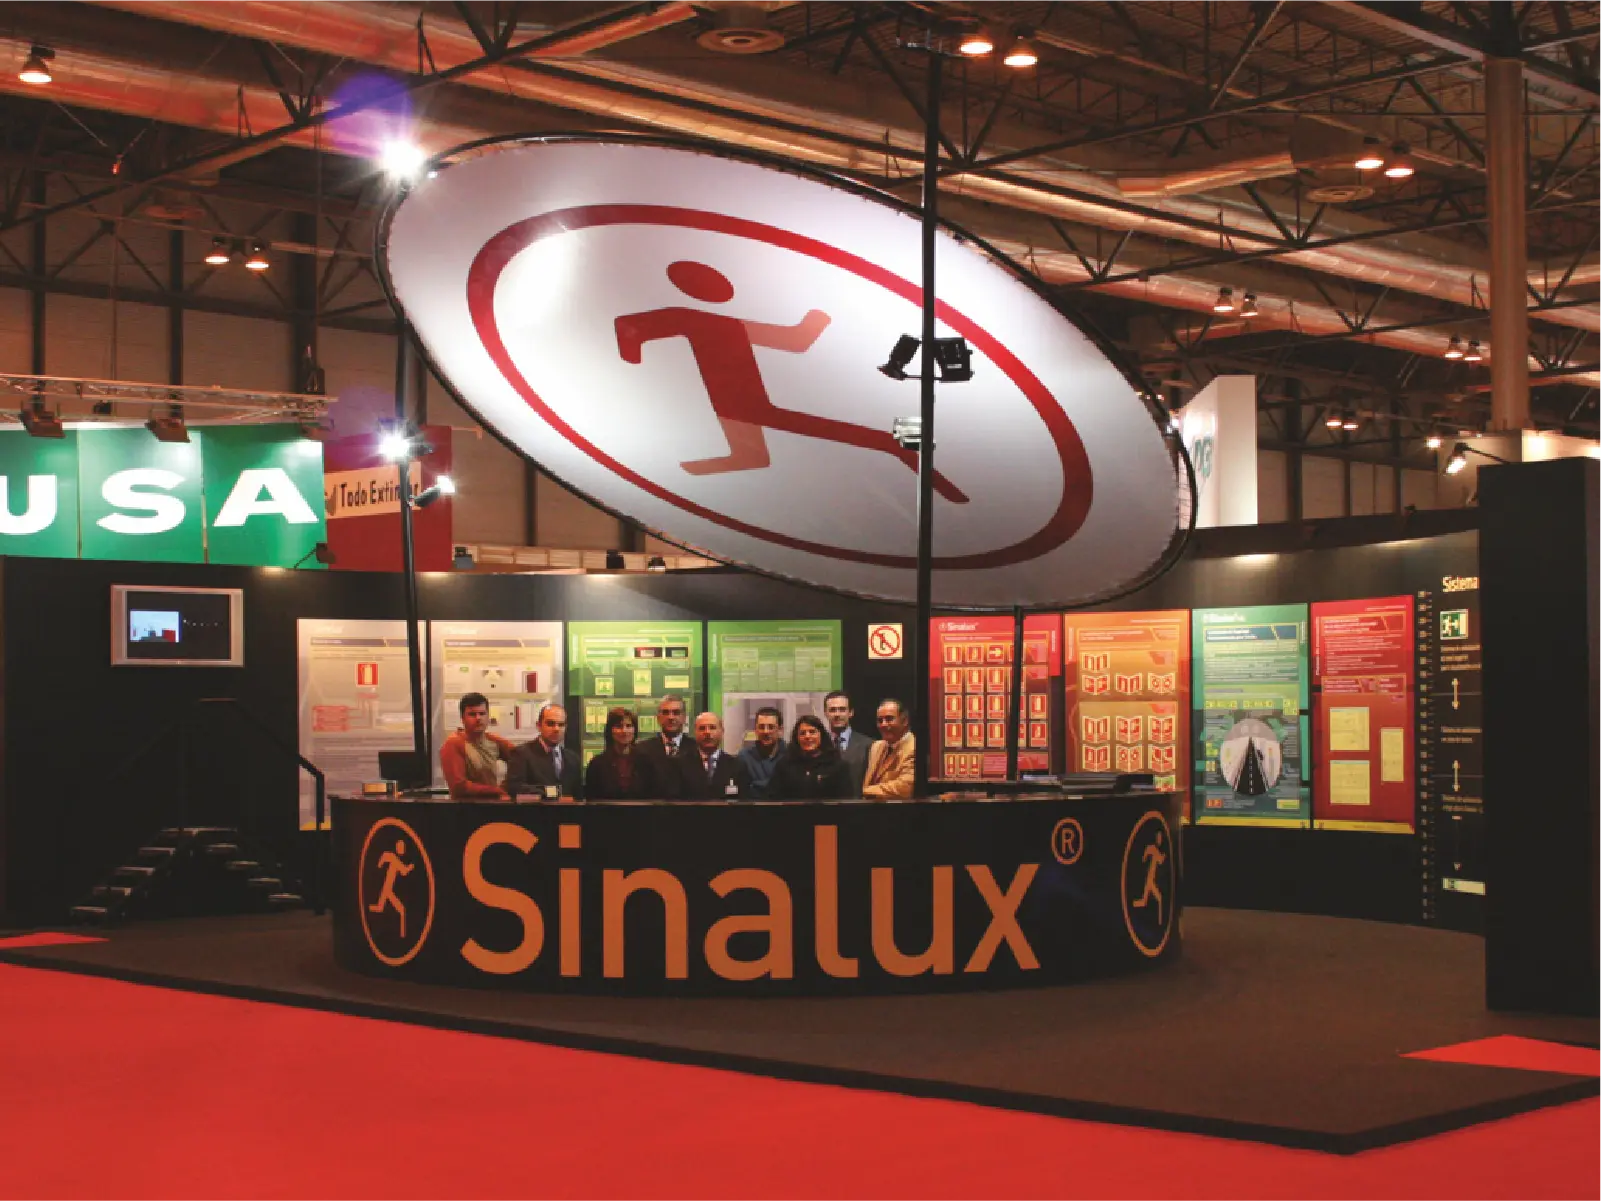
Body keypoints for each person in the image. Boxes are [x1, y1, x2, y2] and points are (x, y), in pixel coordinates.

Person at [439, 692, 513, 800]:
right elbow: (458, 787)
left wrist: (507, 784)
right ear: (462, 718)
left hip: (492, 803)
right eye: (472, 714)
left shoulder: (494, 741)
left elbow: (520, 758)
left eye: (482, 713)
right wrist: (497, 790)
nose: (478, 718)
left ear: (488, 716)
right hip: (465, 806)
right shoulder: (453, 744)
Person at [504, 703, 583, 800]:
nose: (556, 729)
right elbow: (514, 788)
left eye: (561, 725)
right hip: (535, 809)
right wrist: (551, 793)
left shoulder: (573, 759)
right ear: (539, 725)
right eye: (550, 724)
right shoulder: (522, 754)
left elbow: (578, 795)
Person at [584, 707, 664, 800]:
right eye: (619, 726)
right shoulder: (597, 764)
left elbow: (653, 796)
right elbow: (591, 799)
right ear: (610, 731)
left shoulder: (646, 762)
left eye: (629, 726)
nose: (624, 731)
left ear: (634, 730)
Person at [770, 714, 852, 800]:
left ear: (821, 735)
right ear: (797, 738)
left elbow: (847, 800)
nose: (807, 736)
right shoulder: (784, 765)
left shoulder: (838, 765)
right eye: (802, 733)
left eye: (812, 732)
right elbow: (773, 798)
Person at [675, 711, 753, 800]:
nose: (707, 732)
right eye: (702, 728)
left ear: (722, 731)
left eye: (712, 727)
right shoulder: (680, 765)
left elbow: (744, 801)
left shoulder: (737, 765)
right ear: (695, 732)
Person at [635, 693, 691, 798]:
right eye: (666, 712)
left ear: (684, 717)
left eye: (676, 712)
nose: (671, 717)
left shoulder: (696, 749)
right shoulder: (642, 750)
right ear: (658, 717)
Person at [863, 697, 916, 800]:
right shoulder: (876, 746)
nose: (883, 724)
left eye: (889, 719)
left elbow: (905, 788)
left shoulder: (914, 748)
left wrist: (866, 791)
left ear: (904, 721)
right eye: (880, 720)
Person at [823, 690, 870, 796]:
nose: (837, 714)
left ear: (851, 712)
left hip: (858, 804)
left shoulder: (869, 745)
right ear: (825, 713)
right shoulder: (818, 745)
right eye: (832, 710)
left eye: (842, 709)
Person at [737, 705, 786, 799]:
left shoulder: (790, 756)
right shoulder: (744, 757)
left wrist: (756, 786)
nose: (766, 732)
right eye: (761, 727)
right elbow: (743, 792)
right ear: (756, 730)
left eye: (771, 727)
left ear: (780, 730)